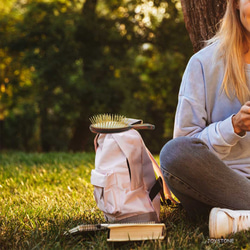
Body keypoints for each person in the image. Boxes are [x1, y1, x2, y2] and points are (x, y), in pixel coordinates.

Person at [160, 0, 250, 238]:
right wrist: (234, 126)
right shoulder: (203, 63)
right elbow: (187, 144)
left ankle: (236, 220)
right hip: (221, 183)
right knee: (174, 154)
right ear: (237, 4)